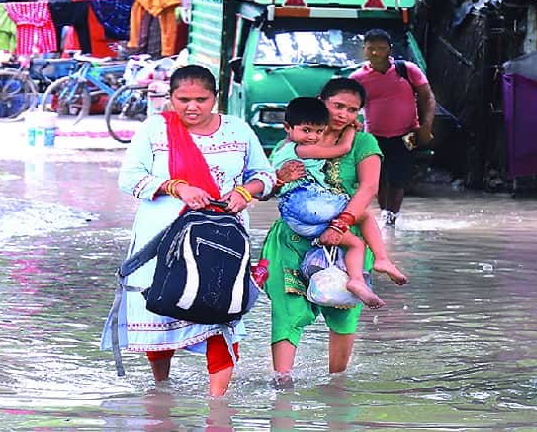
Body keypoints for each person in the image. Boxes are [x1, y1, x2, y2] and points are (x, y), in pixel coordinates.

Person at [100, 64, 276, 396]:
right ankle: (161, 391)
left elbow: (265, 175)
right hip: (162, 240)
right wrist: (176, 187)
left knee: (221, 312)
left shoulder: (238, 130)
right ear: (171, 98)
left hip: (222, 241)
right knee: (161, 311)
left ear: (215, 98)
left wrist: (245, 192)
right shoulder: (155, 129)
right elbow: (129, 178)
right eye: (183, 100)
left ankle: (218, 405)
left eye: (201, 99)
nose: (192, 107)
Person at [261, 78, 389, 378]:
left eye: (353, 110)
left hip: (344, 235)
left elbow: (369, 188)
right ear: (322, 101)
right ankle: (282, 385)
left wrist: (341, 224)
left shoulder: (363, 143)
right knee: (287, 313)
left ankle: (336, 387)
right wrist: (279, 179)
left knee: (342, 313)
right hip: (292, 241)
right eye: (338, 106)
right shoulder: (291, 142)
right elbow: (265, 190)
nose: (344, 114)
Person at [270, 97, 408, 308]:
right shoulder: (301, 149)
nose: (312, 137)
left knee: (355, 243)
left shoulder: (284, 147)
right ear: (288, 127)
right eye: (338, 106)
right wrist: (350, 130)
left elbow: (263, 187)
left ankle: (356, 281)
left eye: (352, 110)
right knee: (361, 210)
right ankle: (381, 259)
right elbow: (343, 149)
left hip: (299, 220)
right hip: (309, 205)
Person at [349, 28, 436, 226]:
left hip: (407, 135)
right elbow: (348, 105)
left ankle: (392, 218)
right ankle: (385, 215)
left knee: (399, 178)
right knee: (378, 180)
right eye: (371, 48)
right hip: (373, 137)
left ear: (389, 49)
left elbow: (428, 98)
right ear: (364, 50)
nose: (375, 53)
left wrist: (426, 126)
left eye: (380, 48)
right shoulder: (357, 78)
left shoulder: (407, 70)